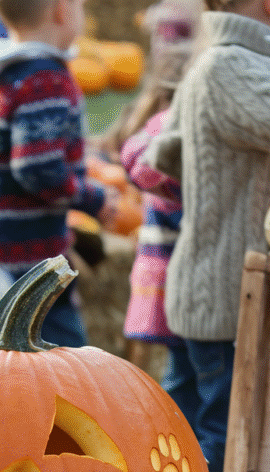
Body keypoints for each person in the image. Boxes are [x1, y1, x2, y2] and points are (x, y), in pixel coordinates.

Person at [138, 0, 270, 472]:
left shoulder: (224, 61)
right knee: (221, 438)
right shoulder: (233, 66)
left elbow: (164, 151)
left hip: (212, 287)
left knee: (180, 430)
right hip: (229, 297)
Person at [0, 0, 119, 348]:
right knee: (65, 365)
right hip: (20, 252)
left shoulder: (11, 69)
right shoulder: (45, 79)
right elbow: (38, 168)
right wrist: (95, 198)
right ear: (62, 10)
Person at [100, 2, 200, 369]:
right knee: (192, 376)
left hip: (169, 278)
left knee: (182, 372)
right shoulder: (169, 132)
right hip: (179, 279)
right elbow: (136, 162)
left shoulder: (154, 126)